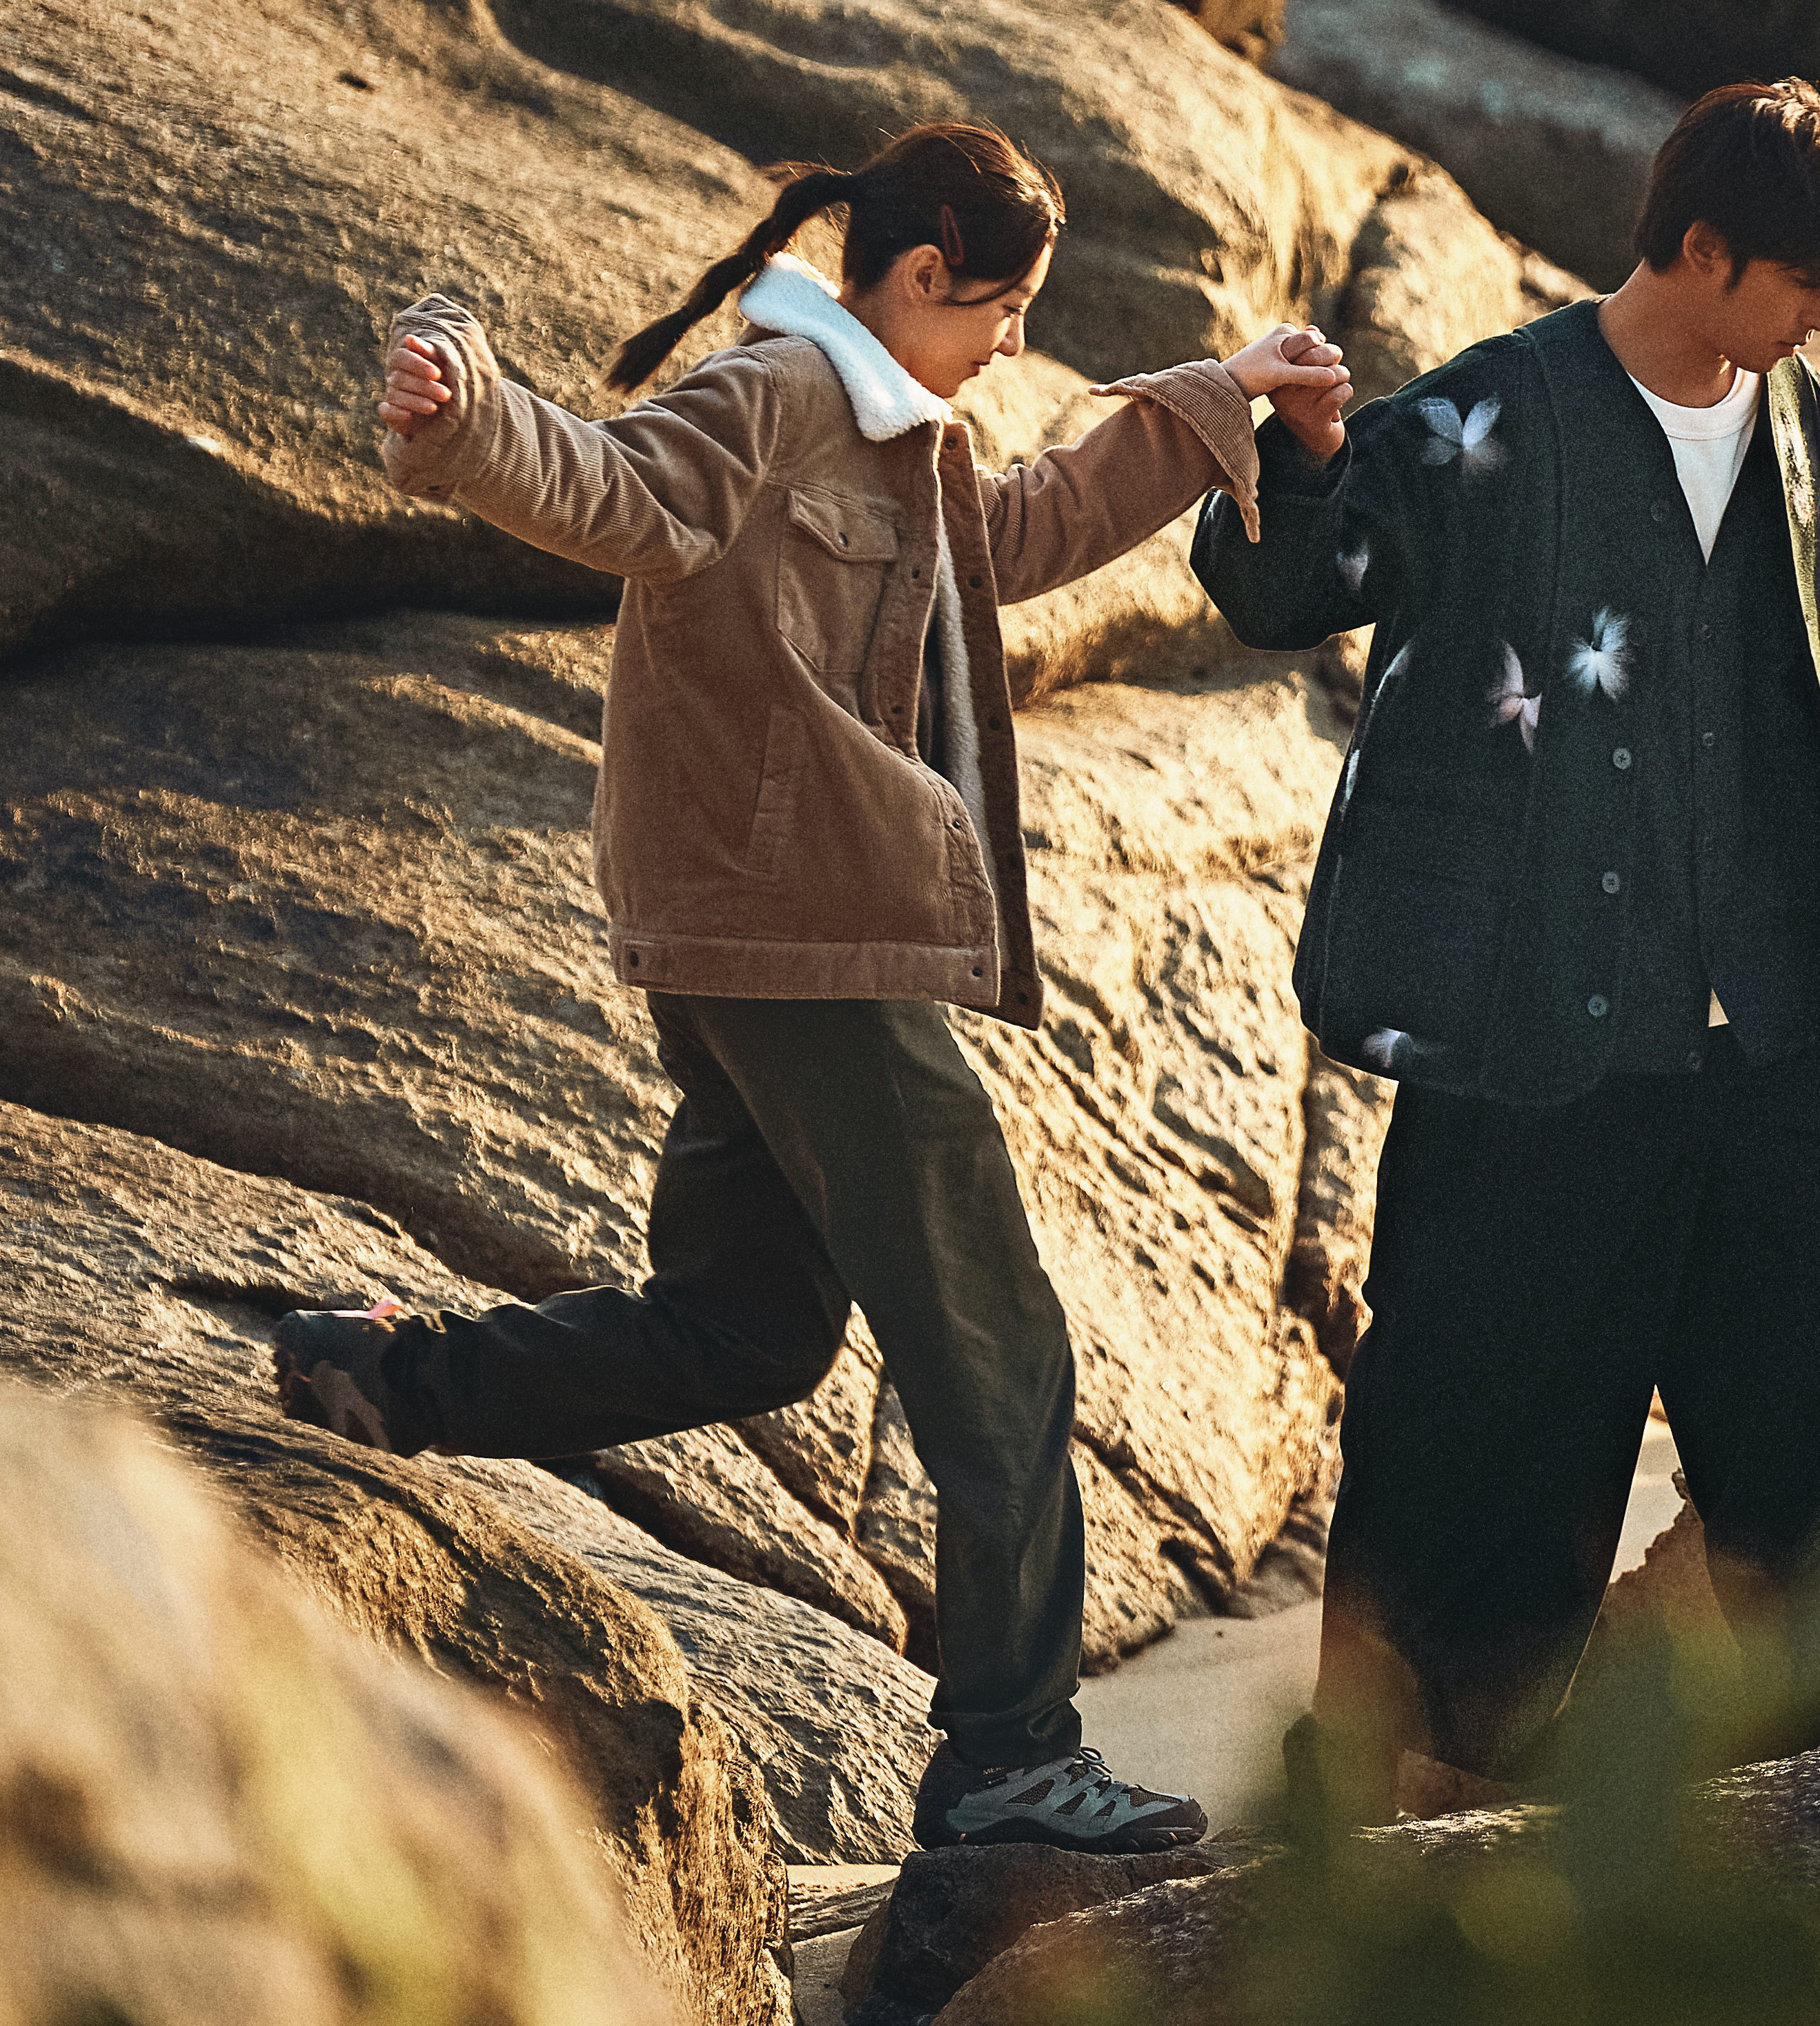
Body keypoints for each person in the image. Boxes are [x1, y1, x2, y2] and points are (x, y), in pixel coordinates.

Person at [273, 118, 1352, 1855]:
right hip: (797, 946)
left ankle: (399, 1381)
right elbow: (618, 491)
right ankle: (1010, 1761)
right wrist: (465, 417)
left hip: (758, 945)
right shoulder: (776, 397)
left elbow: (1024, 528)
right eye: (1000, 309)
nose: (1011, 343)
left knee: (745, 1330)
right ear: (916, 276)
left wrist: (1208, 395)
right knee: (999, 1362)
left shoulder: (894, 430)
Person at [1188, 78, 1820, 1784]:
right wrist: (1299, 455)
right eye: (1805, 284)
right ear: (1698, 247)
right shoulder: (1504, 410)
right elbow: (1277, 588)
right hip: (1533, 1057)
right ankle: (1412, 1841)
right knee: (1471, 1486)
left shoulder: (1813, 431)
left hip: (1773, 1058)